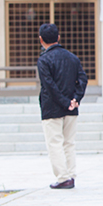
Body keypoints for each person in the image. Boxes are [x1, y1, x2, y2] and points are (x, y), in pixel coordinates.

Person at [37, 23, 88, 189]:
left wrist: (66, 102)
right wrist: (75, 99)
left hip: (52, 107)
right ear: (58, 37)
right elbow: (83, 79)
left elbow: (49, 85)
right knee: (69, 143)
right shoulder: (72, 58)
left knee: (55, 143)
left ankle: (62, 177)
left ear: (41, 40)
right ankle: (71, 175)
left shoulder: (44, 60)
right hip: (71, 108)